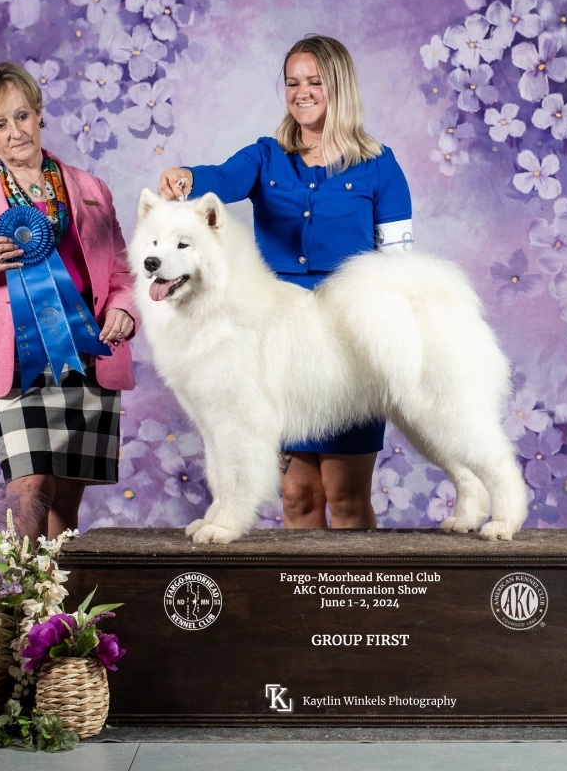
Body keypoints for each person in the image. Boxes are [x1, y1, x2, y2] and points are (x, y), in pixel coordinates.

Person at [157, 35, 413, 531]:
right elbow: (221, 180)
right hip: (277, 344)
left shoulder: (382, 165)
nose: (302, 92)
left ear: (340, 88)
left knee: (346, 494)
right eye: (293, 82)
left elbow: (399, 266)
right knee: (296, 495)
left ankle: (357, 606)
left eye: (315, 82)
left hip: (349, 345)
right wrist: (186, 175)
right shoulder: (265, 157)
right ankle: (309, 608)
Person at [0, 62, 137, 540]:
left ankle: (57, 609)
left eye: (21, 116)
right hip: (14, 360)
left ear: (39, 114)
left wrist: (124, 307)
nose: (14, 131)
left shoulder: (90, 188)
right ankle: (21, 602)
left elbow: (121, 270)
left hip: (88, 352)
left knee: (66, 493)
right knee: (29, 486)